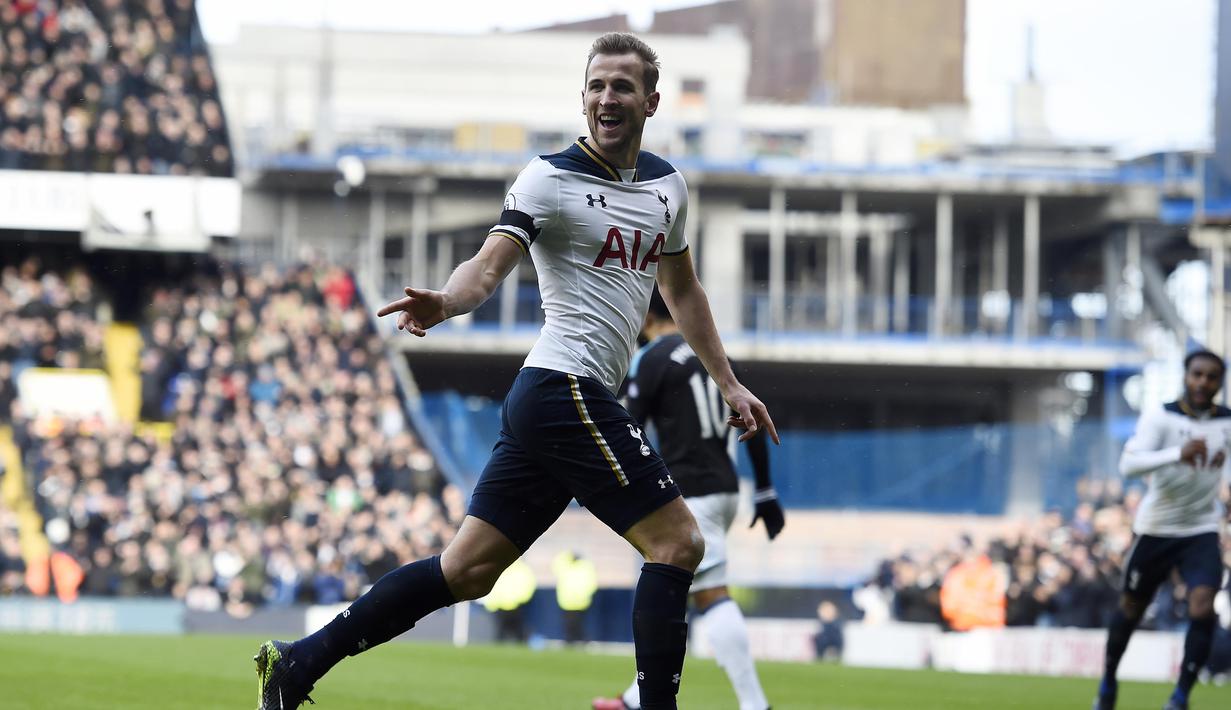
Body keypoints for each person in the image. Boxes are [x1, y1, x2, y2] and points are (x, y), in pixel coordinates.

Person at [254, 32, 778, 710]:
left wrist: (729, 382)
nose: (606, 97)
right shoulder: (547, 179)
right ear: (582, 98)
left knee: (465, 571)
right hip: (563, 389)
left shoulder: (666, 188)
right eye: (595, 85)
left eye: (621, 86)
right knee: (677, 541)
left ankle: (297, 664)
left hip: (555, 403)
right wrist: (446, 301)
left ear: (650, 101)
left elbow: (683, 294)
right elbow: (488, 266)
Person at [592, 289, 784, 710]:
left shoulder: (653, 358)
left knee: (708, 594)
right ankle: (633, 698)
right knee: (684, 591)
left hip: (690, 493)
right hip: (725, 487)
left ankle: (755, 705)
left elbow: (630, 426)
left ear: (645, 318)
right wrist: (766, 490)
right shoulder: (715, 356)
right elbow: (751, 414)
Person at [1094, 350, 1231, 710]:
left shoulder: (1227, 422)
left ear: (1220, 382)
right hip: (1156, 529)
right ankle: (1108, 680)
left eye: (1212, 376)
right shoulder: (1162, 416)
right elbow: (1128, 464)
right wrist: (1176, 454)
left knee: (1203, 608)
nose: (1203, 382)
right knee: (1131, 609)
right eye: (1197, 374)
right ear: (1186, 377)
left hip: (1200, 529)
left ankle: (1180, 696)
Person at [554, 550, 599, 645]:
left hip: (579, 601)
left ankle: (578, 639)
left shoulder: (585, 567)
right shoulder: (566, 565)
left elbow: (592, 583)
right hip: (568, 601)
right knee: (570, 623)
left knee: (576, 623)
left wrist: (583, 594)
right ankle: (573, 639)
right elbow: (556, 563)